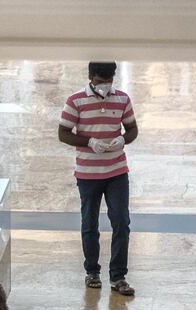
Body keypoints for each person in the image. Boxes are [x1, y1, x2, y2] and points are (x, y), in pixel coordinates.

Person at [58, 61, 138, 296]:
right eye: (100, 80)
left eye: (108, 80)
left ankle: (118, 276)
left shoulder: (122, 99)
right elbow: (63, 133)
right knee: (89, 223)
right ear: (91, 76)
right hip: (88, 174)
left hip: (117, 172)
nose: (105, 85)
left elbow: (132, 129)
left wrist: (123, 139)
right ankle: (92, 271)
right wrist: (89, 142)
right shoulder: (75, 101)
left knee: (122, 222)